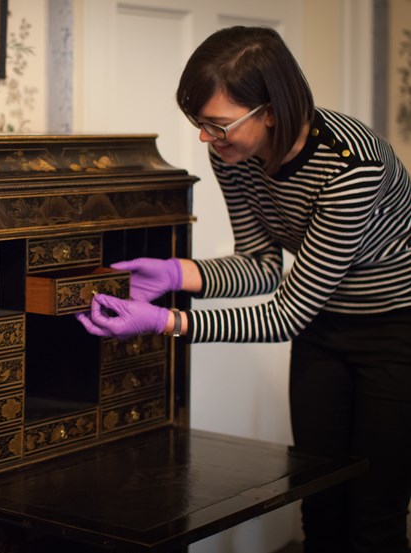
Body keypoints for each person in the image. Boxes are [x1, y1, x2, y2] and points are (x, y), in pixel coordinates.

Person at [76, 25, 411, 553]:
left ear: (271, 110)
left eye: (218, 125)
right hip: (324, 329)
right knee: (319, 498)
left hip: (396, 330)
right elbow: (260, 265)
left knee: (377, 515)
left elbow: (285, 314)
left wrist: (169, 321)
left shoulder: (352, 167)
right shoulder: (234, 155)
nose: (207, 139)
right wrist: (176, 273)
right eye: (200, 124)